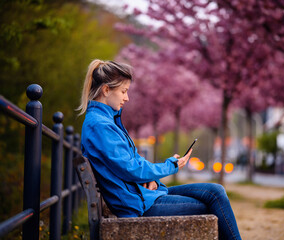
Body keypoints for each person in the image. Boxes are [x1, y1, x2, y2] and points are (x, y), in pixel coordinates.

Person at [78, 59, 242, 240]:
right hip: (137, 204)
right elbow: (130, 168)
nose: (127, 98)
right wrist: (170, 166)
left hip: (142, 195)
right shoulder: (100, 125)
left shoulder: (106, 121)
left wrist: (151, 178)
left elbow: (129, 163)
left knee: (215, 191)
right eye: (123, 91)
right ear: (106, 90)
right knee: (212, 203)